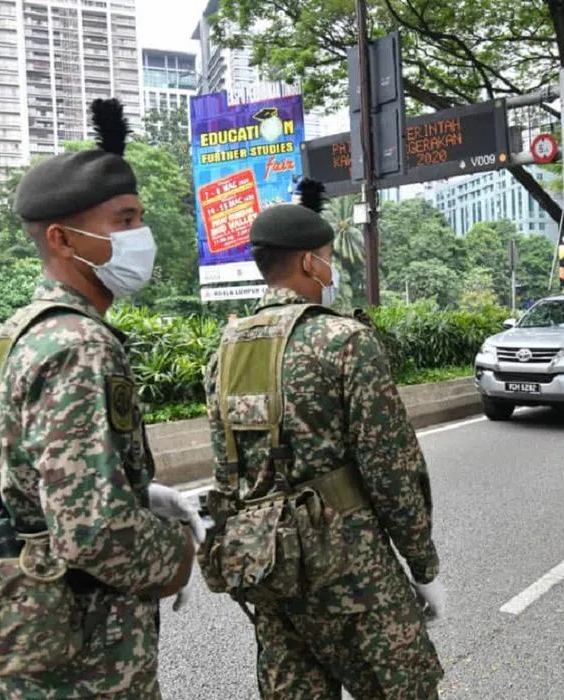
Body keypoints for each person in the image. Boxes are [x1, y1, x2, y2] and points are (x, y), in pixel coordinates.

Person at [0, 99, 200, 698]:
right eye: (123, 220)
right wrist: (177, 553)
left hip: (44, 634)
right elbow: (94, 530)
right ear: (61, 238)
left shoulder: (24, 329)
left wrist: (137, 490)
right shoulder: (79, 344)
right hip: (89, 649)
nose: (140, 236)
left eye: (138, 219)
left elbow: (32, 470)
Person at [197, 179, 445, 699]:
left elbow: (229, 475)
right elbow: (392, 469)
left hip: (270, 571)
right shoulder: (344, 341)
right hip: (351, 571)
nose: (332, 270)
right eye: (329, 258)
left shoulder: (225, 352)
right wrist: (422, 565)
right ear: (310, 263)